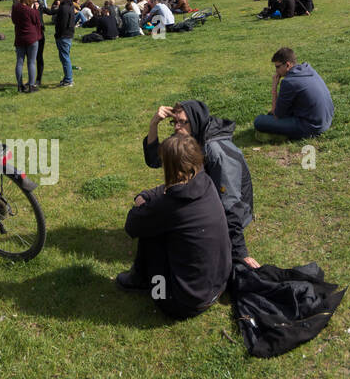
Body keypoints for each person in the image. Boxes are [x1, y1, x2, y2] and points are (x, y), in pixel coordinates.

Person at [118, 132, 232, 319]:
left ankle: (140, 280)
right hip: (218, 287)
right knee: (157, 224)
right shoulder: (205, 182)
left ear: (171, 168)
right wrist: (147, 195)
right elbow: (167, 191)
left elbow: (132, 225)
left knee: (151, 232)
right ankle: (141, 278)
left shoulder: (168, 207)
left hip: (182, 303)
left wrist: (143, 204)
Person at [143, 100, 256, 268]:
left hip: (229, 213)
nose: (176, 127)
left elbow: (232, 205)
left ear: (195, 121)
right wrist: (154, 124)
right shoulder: (189, 137)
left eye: (182, 122)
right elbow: (154, 160)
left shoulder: (217, 152)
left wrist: (241, 254)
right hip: (204, 199)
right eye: (175, 122)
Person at [255, 48, 334, 140]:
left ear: (287, 65)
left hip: (312, 128)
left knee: (259, 121)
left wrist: (274, 88)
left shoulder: (289, 82)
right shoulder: (308, 69)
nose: (276, 71)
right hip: (326, 120)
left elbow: (276, 114)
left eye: (277, 67)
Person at [12, 0, 41, 93]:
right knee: (31, 62)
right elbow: (37, 22)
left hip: (20, 37)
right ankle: (31, 86)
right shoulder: (31, 11)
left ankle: (20, 85)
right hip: (31, 38)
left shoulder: (15, 7)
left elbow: (14, 20)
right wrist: (35, 10)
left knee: (19, 62)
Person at [52, 0, 77, 87]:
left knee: (65, 57)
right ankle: (67, 77)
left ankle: (68, 80)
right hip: (68, 33)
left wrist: (58, 35)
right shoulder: (68, 4)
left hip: (64, 35)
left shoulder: (64, 7)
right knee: (65, 56)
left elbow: (63, 23)